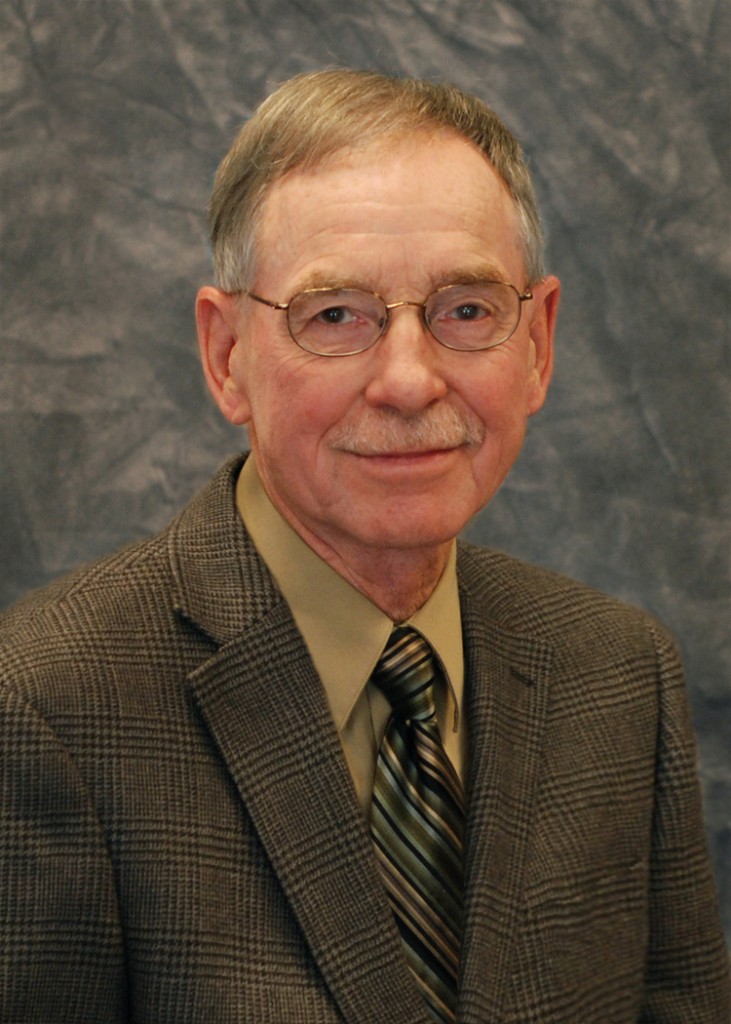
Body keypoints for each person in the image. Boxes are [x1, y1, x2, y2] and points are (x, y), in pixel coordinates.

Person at [0, 69, 728, 1024]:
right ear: (227, 356)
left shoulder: (620, 675)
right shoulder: (46, 702)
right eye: (334, 316)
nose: (409, 381)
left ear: (538, 344)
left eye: (466, 310)